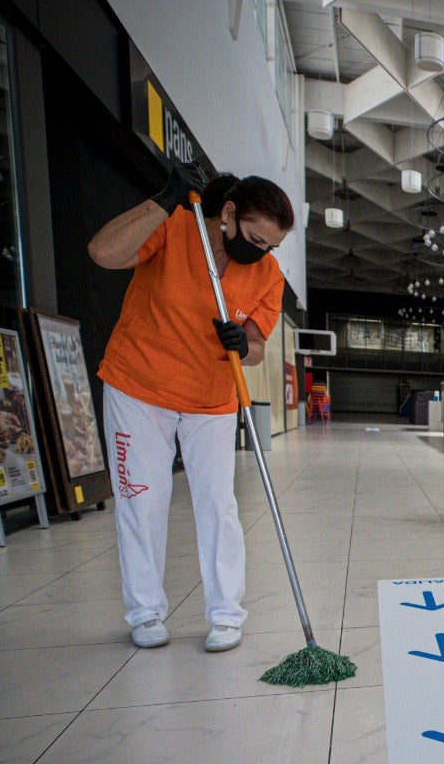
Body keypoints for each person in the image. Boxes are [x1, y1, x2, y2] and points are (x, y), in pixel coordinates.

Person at [87, 166, 292, 651]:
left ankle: (226, 614)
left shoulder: (268, 274)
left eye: (271, 247)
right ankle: (145, 612)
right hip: (139, 386)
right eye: (256, 239)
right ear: (227, 214)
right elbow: (103, 253)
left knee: (218, 504)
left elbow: (260, 345)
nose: (261, 253)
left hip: (212, 397)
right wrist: (165, 198)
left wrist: (244, 344)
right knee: (142, 499)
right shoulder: (176, 228)